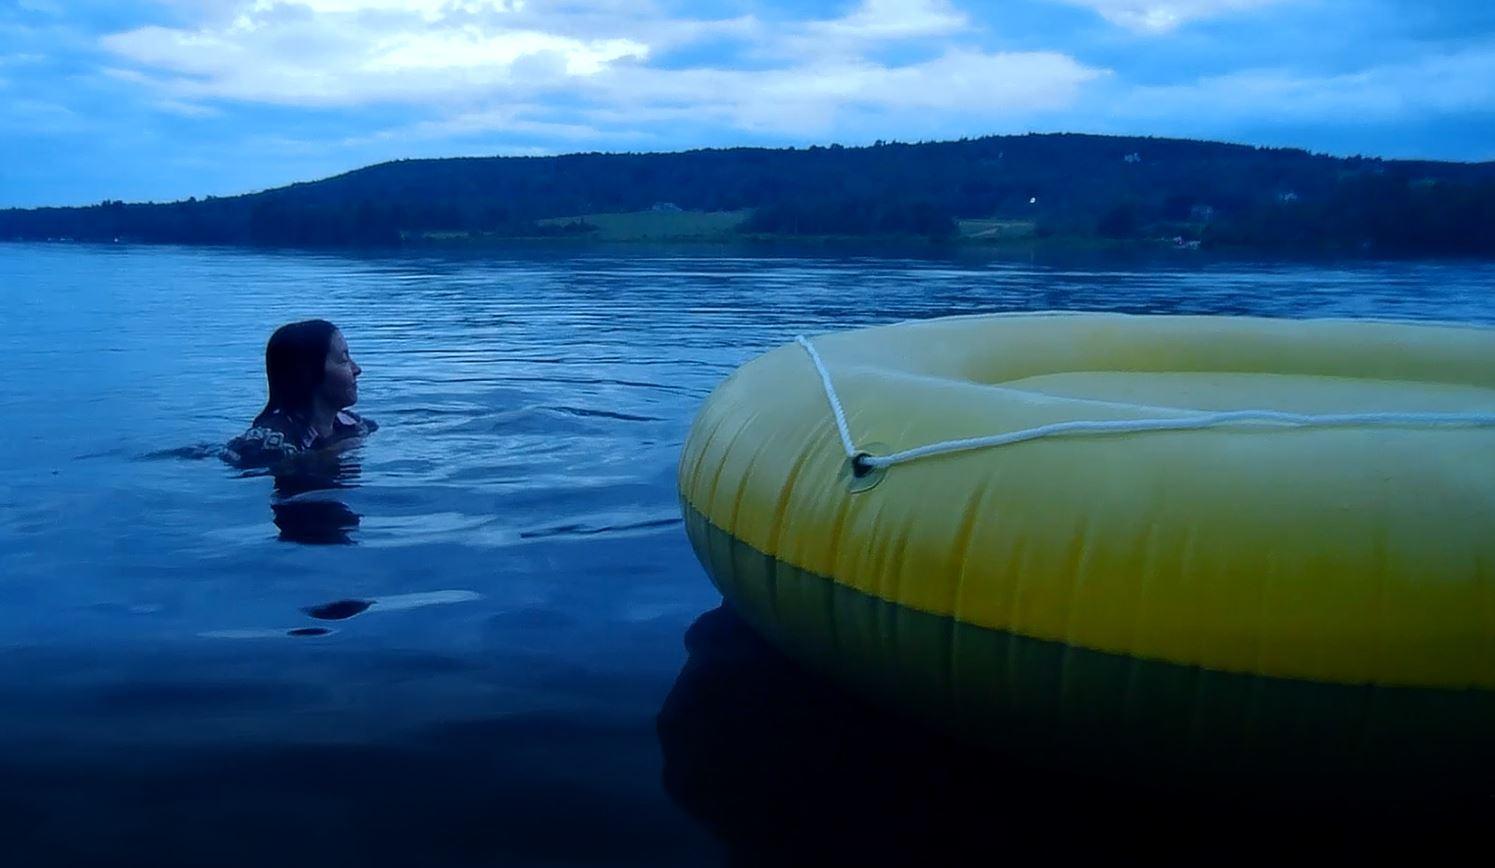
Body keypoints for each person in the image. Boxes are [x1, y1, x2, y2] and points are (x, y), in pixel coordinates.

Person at [223, 319, 377, 469]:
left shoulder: (359, 425)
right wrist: (330, 453)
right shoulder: (263, 445)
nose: (357, 369)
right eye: (344, 359)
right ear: (310, 373)